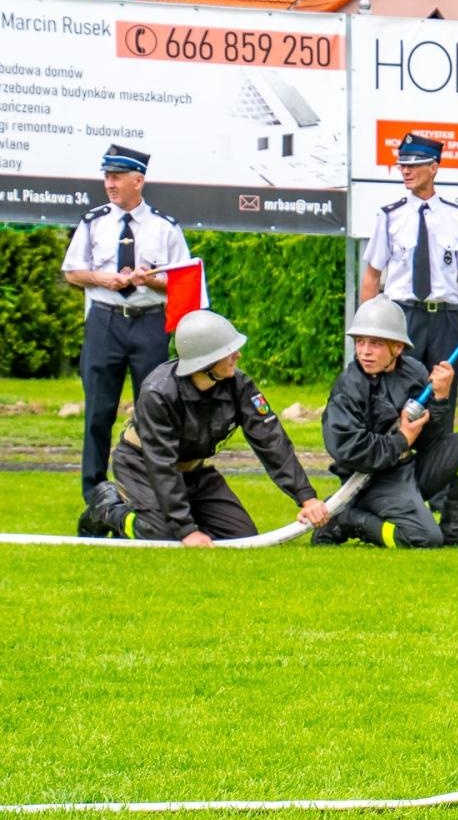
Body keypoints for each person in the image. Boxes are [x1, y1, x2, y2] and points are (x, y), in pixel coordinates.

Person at [81, 310, 330, 545]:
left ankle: (176, 518)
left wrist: (305, 497)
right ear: (206, 360)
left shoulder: (239, 385)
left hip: (193, 470)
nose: (238, 355)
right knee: (163, 535)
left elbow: (271, 439)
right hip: (143, 467)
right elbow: (161, 464)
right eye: (229, 351)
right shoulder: (158, 393)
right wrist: (186, 530)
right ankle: (108, 508)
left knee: (241, 537)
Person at [62, 144, 191, 521]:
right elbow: (73, 272)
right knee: (98, 411)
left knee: (153, 411)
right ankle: (95, 492)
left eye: (117, 177)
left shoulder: (165, 228)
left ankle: (152, 490)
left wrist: (151, 281)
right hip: (105, 321)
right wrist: (101, 278)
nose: (110, 184)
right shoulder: (93, 222)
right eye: (106, 176)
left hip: (148, 322)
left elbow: (183, 283)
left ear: (139, 180)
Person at [315, 295, 458, 549]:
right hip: (371, 481)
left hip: (407, 467)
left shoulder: (414, 371)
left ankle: (455, 531)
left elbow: (431, 440)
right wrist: (402, 439)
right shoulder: (349, 387)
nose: (365, 352)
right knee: (423, 537)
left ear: (398, 347)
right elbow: (348, 450)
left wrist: (440, 398)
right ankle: (345, 519)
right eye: (360, 342)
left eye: (376, 343)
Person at [359, 132, 458, 438]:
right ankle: (390, 466)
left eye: (414, 164)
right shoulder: (389, 217)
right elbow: (372, 276)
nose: (405, 171)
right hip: (402, 318)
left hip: (444, 320)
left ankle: (437, 474)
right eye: (402, 165)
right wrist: (366, 333)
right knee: (396, 395)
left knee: (442, 396)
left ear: (434, 168)